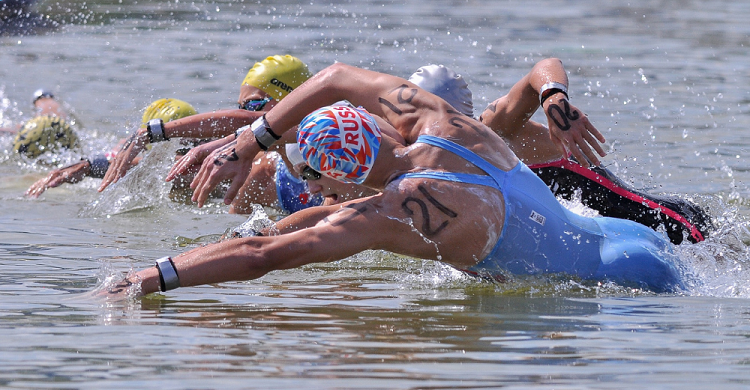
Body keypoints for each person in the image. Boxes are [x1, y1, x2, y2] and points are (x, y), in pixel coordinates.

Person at [100, 62, 685, 300]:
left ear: (342, 181)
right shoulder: (444, 122)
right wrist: (255, 137)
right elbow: (334, 76)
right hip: (625, 242)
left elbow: (264, 254)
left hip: (616, 300)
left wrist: (154, 275)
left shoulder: (394, 211)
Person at [407, 62, 711, 245]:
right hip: (614, 243)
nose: (418, 134)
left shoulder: (495, 129)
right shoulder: (426, 162)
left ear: (454, 115)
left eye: (425, 121)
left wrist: (552, 97)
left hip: (673, 227)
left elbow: (542, 68)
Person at [97, 54, 326, 215]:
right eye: (240, 107)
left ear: (292, 102)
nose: (246, 115)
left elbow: (251, 123)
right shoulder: (264, 174)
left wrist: (153, 132)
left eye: (253, 105)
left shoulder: (333, 150)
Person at [24, 98, 197, 198]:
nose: (188, 148)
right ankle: (45, 100)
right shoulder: (125, 151)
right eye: (179, 145)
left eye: (193, 142)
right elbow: (146, 163)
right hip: (101, 156)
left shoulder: (207, 154)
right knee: (48, 131)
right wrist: (88, 165)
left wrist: (89, 166)